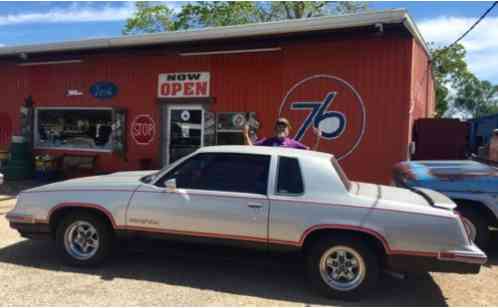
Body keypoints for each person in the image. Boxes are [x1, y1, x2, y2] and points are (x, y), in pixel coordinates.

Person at [243, 117, 319, 150]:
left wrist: (317, 138)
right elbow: (250, 148)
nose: (281, 129)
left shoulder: (294, 144)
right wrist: (246, 134)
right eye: (279, 127)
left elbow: (311, 151)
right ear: (275, 129)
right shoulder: (267, 141)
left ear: (288, 130)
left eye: (284, 127)